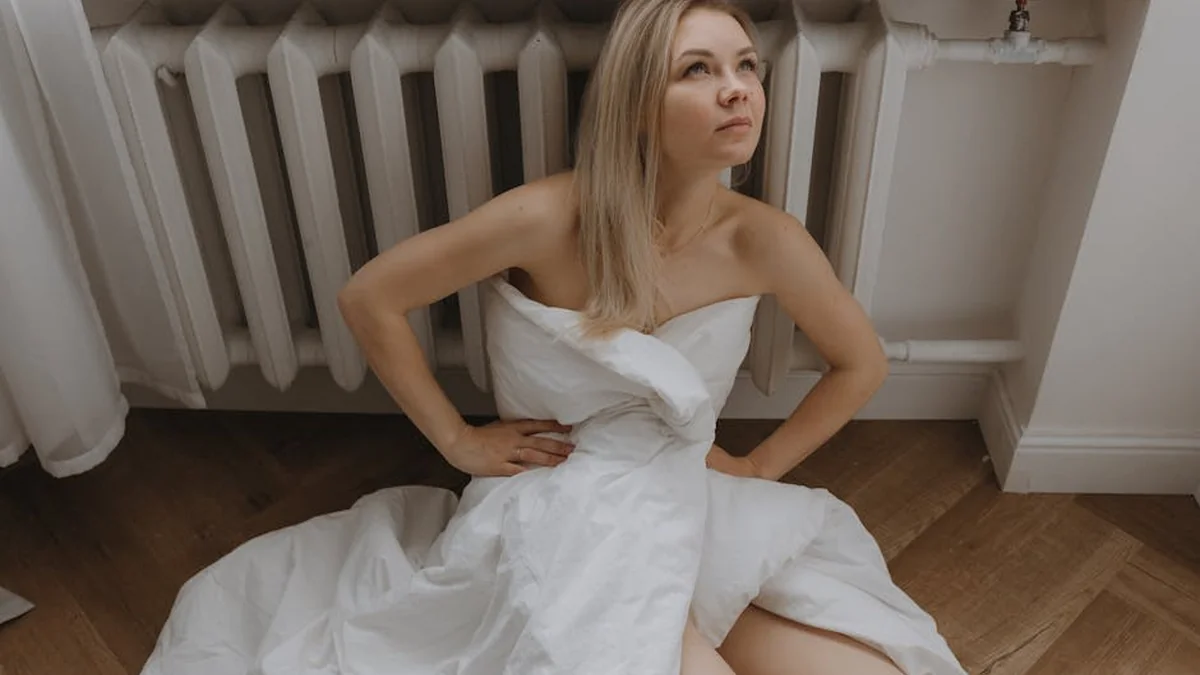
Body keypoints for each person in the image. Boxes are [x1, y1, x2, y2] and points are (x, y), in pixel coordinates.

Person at [139, 2, 967, 674]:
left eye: (747, 66)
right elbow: (370, 298)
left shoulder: (765, 239)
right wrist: (459, 440)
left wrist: (755, 468)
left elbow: (860, 364)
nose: (738, 91)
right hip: (564, 495)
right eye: (698, 70)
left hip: (688, 486)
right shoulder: (547, 217)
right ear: (636, 104)